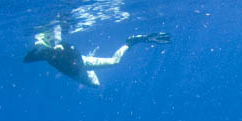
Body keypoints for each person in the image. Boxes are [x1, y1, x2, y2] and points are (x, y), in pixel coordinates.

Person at [23, 24, 171, 87]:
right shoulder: (53, 56)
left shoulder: (52, 57)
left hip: (77, 62)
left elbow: (28, 59)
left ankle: (130, 43)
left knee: (109, 67)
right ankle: (130, 43)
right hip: (78, 61)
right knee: (57, 48)